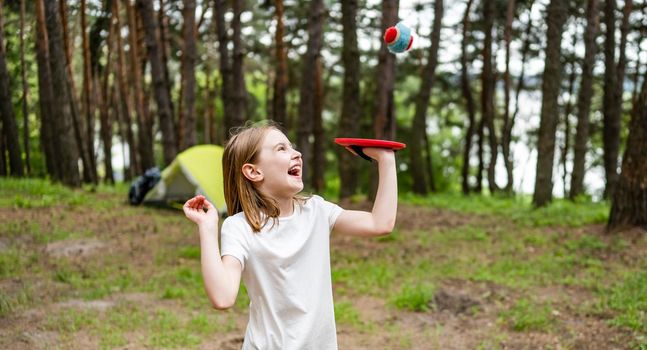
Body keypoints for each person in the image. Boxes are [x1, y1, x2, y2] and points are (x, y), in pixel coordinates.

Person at [183, 123, 398, 349]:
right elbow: (223, 297)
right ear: (254, 172)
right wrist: (207, 229)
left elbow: (380, 223)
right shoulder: (239, 227)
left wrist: (386, 160)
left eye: (292, 147)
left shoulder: (317, 211)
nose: (297, 153)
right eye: (281, 149)